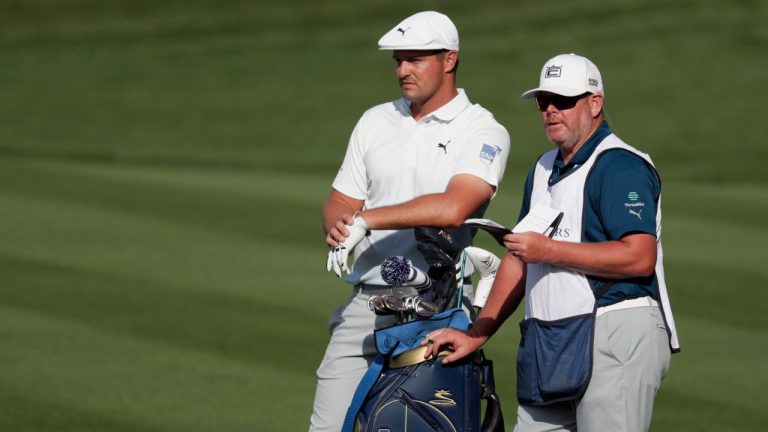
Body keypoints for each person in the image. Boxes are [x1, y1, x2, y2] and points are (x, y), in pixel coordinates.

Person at [424, 53, 680, 431]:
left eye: (563, 101)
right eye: (544, 102)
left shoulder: (620, 165)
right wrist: (477, 333)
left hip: (617, 328)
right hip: (551, 338)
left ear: (595, 103)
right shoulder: (544, 168)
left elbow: (639, 257)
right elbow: (519, 257)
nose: (550, 110)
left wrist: (547, 251)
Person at [309, 11, 511, 432]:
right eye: (398, 60)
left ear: (449, 59)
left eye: (415, 59)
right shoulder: (375, 120)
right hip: (366, 304)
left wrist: (368, 220)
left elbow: (456, 205)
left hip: (433, 311)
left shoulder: (483, 130)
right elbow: (342, 198)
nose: (403, 70)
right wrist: (341, 225)